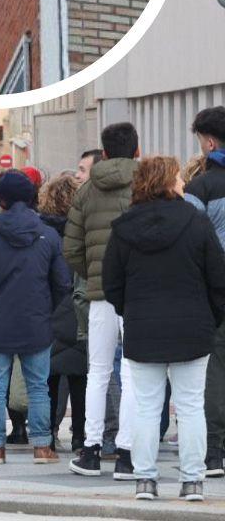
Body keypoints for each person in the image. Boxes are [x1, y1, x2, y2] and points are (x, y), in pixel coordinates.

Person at [103, 156, 225, 502]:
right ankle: (192, 481)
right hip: (193, 327)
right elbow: (218, 279)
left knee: (145, 406)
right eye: (179, 179)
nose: (184, 184)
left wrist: (132, 311)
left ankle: (145, 479)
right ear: (170, 183)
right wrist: (210, 317)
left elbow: (112, 284)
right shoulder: (196, 223)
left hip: (143, 327)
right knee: (189, 406)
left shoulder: (123, 228)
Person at [0, 171, 70, 464]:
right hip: (37, 322)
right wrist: (45, 307)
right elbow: (62, 283)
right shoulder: (47, 235)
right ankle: (41, 446)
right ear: (31, 198)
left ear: (1, 200)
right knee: (38, 386)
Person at [65, 122, 140, 478]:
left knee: (98, 371)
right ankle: (127, 454)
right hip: (139, 291)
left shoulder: (87, 191)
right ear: (136, 151)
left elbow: (72, 249)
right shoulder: (147, 183)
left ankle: (91, 451)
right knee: (133, 372)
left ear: (104, 153)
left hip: (100, 293)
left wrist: (95, 273)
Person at [184, 106, 225, 477]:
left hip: (215, 291)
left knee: (215, 368)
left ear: (209, 142)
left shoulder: (199, 189)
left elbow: (188, 245)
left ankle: (214, 451)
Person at [39, 173, 88, 453]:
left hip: (48, 310)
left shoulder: (41, 232)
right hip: (77, 310)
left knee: (48, 378)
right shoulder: (81, 230)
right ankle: (80, 435)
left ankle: (48, 432)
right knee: (80, 377)